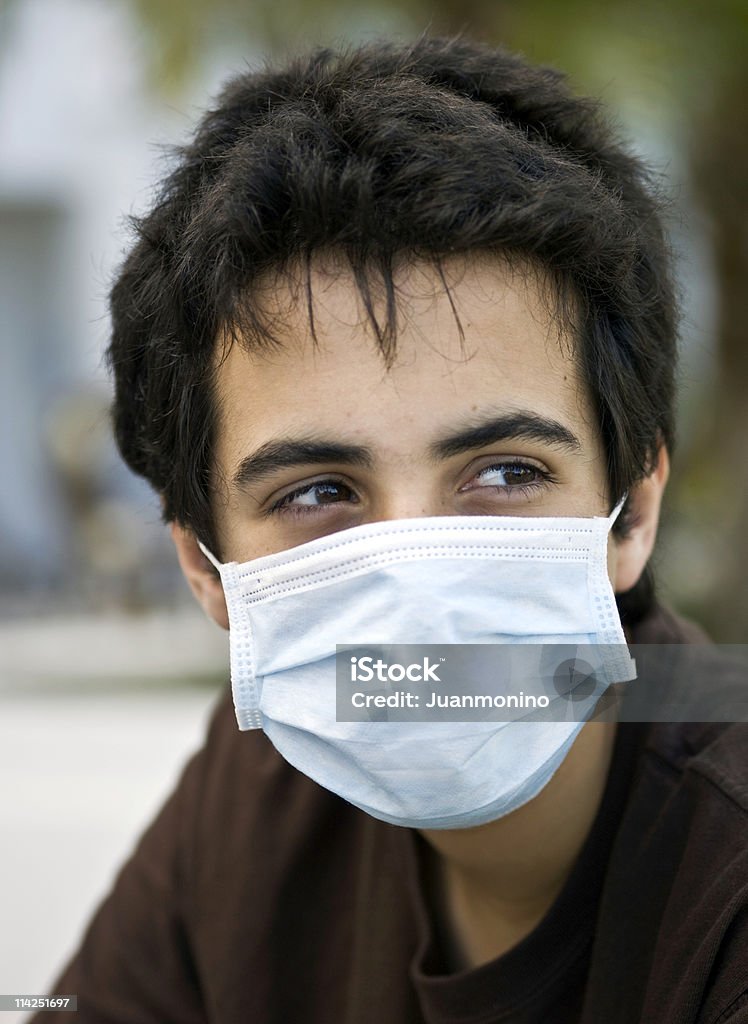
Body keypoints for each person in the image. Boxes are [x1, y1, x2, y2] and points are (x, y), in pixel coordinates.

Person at [34, 35, 748, 1023]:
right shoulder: (255, 799)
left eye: (504, 473)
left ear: (634, 512)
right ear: (205, 568)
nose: (419, 586)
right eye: (319, 492)